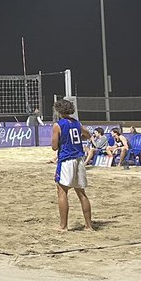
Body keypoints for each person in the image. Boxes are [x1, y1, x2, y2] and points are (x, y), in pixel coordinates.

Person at [50, 98, 94, 231]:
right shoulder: (76, 123)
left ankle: (63, 226)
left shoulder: (58, 125)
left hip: (66, 159)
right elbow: (88, 135)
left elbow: (54, 146)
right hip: (79, 159)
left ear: (58, 110)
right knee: (81, 193)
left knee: (62, 191)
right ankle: (88, 226)